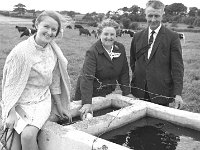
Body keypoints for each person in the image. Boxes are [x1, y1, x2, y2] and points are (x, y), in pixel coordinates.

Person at [1, 11, 72, 150]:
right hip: (19, 101)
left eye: (54, 29)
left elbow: (55, 82)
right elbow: (10, 86)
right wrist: (11, 112)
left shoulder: (53, 52)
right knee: (14, 147)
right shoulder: (20, 52)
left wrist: (59, 106)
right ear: (36, 24)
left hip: (41, 99)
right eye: (46, 26)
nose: (49, 32)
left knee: (27, 136)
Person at [74, 18, 133, 118]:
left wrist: (127, 93)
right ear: (100, 34)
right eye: (105, 34)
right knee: (88, 120)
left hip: (107, 92)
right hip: (88, 93)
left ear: (116, 35)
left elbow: (124, 72)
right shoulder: (92, 52)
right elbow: (87, 78)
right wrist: (87, 102)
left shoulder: (120, 48)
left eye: (112, 34)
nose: (109, 37)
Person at [130, 0, 184, 108]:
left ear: (162, 15)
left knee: (159, 124)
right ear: (145, 15)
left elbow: (177, 67)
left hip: (161, 92)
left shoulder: (172, 37)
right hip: (140, 91)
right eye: (150, 15)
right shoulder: (137, 36)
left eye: (156, 16)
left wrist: (177, 93)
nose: (153, 19)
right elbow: (133, 61)